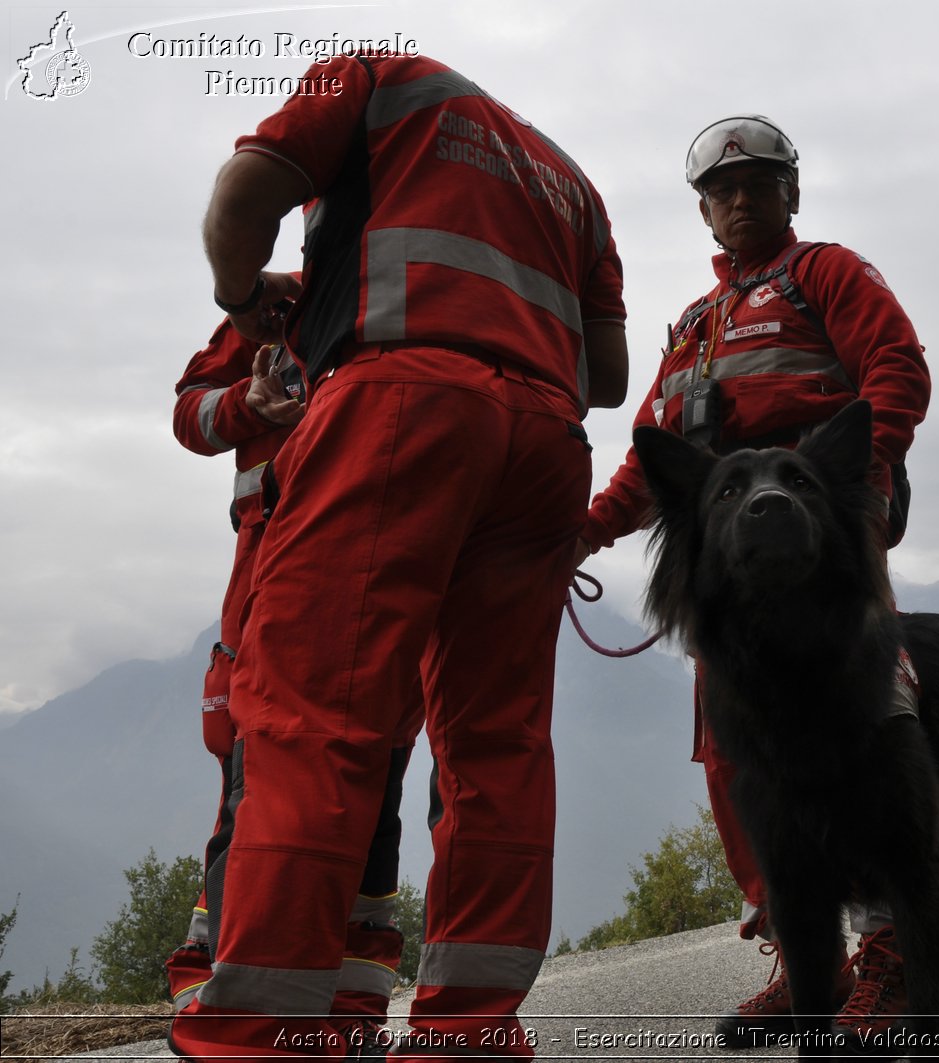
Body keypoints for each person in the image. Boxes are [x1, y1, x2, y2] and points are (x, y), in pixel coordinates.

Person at [168, 50, 628, 1063]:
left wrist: (245, 301)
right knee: (497, 743)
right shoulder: (572, 183)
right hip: (546, 443)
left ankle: (260, 1030)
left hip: (399, 402)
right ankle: (468, 1030)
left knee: (313, 721)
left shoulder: (379, 76)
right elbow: (609, 375)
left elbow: (242, 196)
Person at [576, 114, 930, 1044]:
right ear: (703, 210)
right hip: (725, 570)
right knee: (736, 752)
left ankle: (893, 955)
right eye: (723, 191)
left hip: (822, 541)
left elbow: (897, 370)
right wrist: (583, 532)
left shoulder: (828, 272)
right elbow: (654, 455)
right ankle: (806, 950)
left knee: (867, 726)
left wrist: (856, 476)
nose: (741, 200)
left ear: (793, 194)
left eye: (760, 184)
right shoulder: (694, 325)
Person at [164, 312, 423, 1046]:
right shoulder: (271, 312)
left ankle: (352, 1017)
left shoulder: (409, 297)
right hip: (270, 591)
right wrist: (248, 405)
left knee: (376, 803)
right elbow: (190, 413)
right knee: (257, 803)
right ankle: (229, 1010)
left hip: (385, 585)